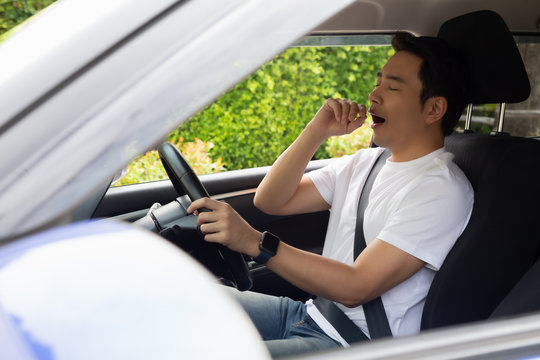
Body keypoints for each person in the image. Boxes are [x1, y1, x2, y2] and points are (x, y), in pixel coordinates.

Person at [187, 32, 474, 357]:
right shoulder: (368, 162)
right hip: (312, 315)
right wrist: (316, 130)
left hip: (356, 344)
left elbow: (356, 286)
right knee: (182, 302)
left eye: (392, 87)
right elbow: (271, 200)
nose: (374, 94)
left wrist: (254, 242)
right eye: (378, 82)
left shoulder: (440, 189)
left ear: (433, 109)